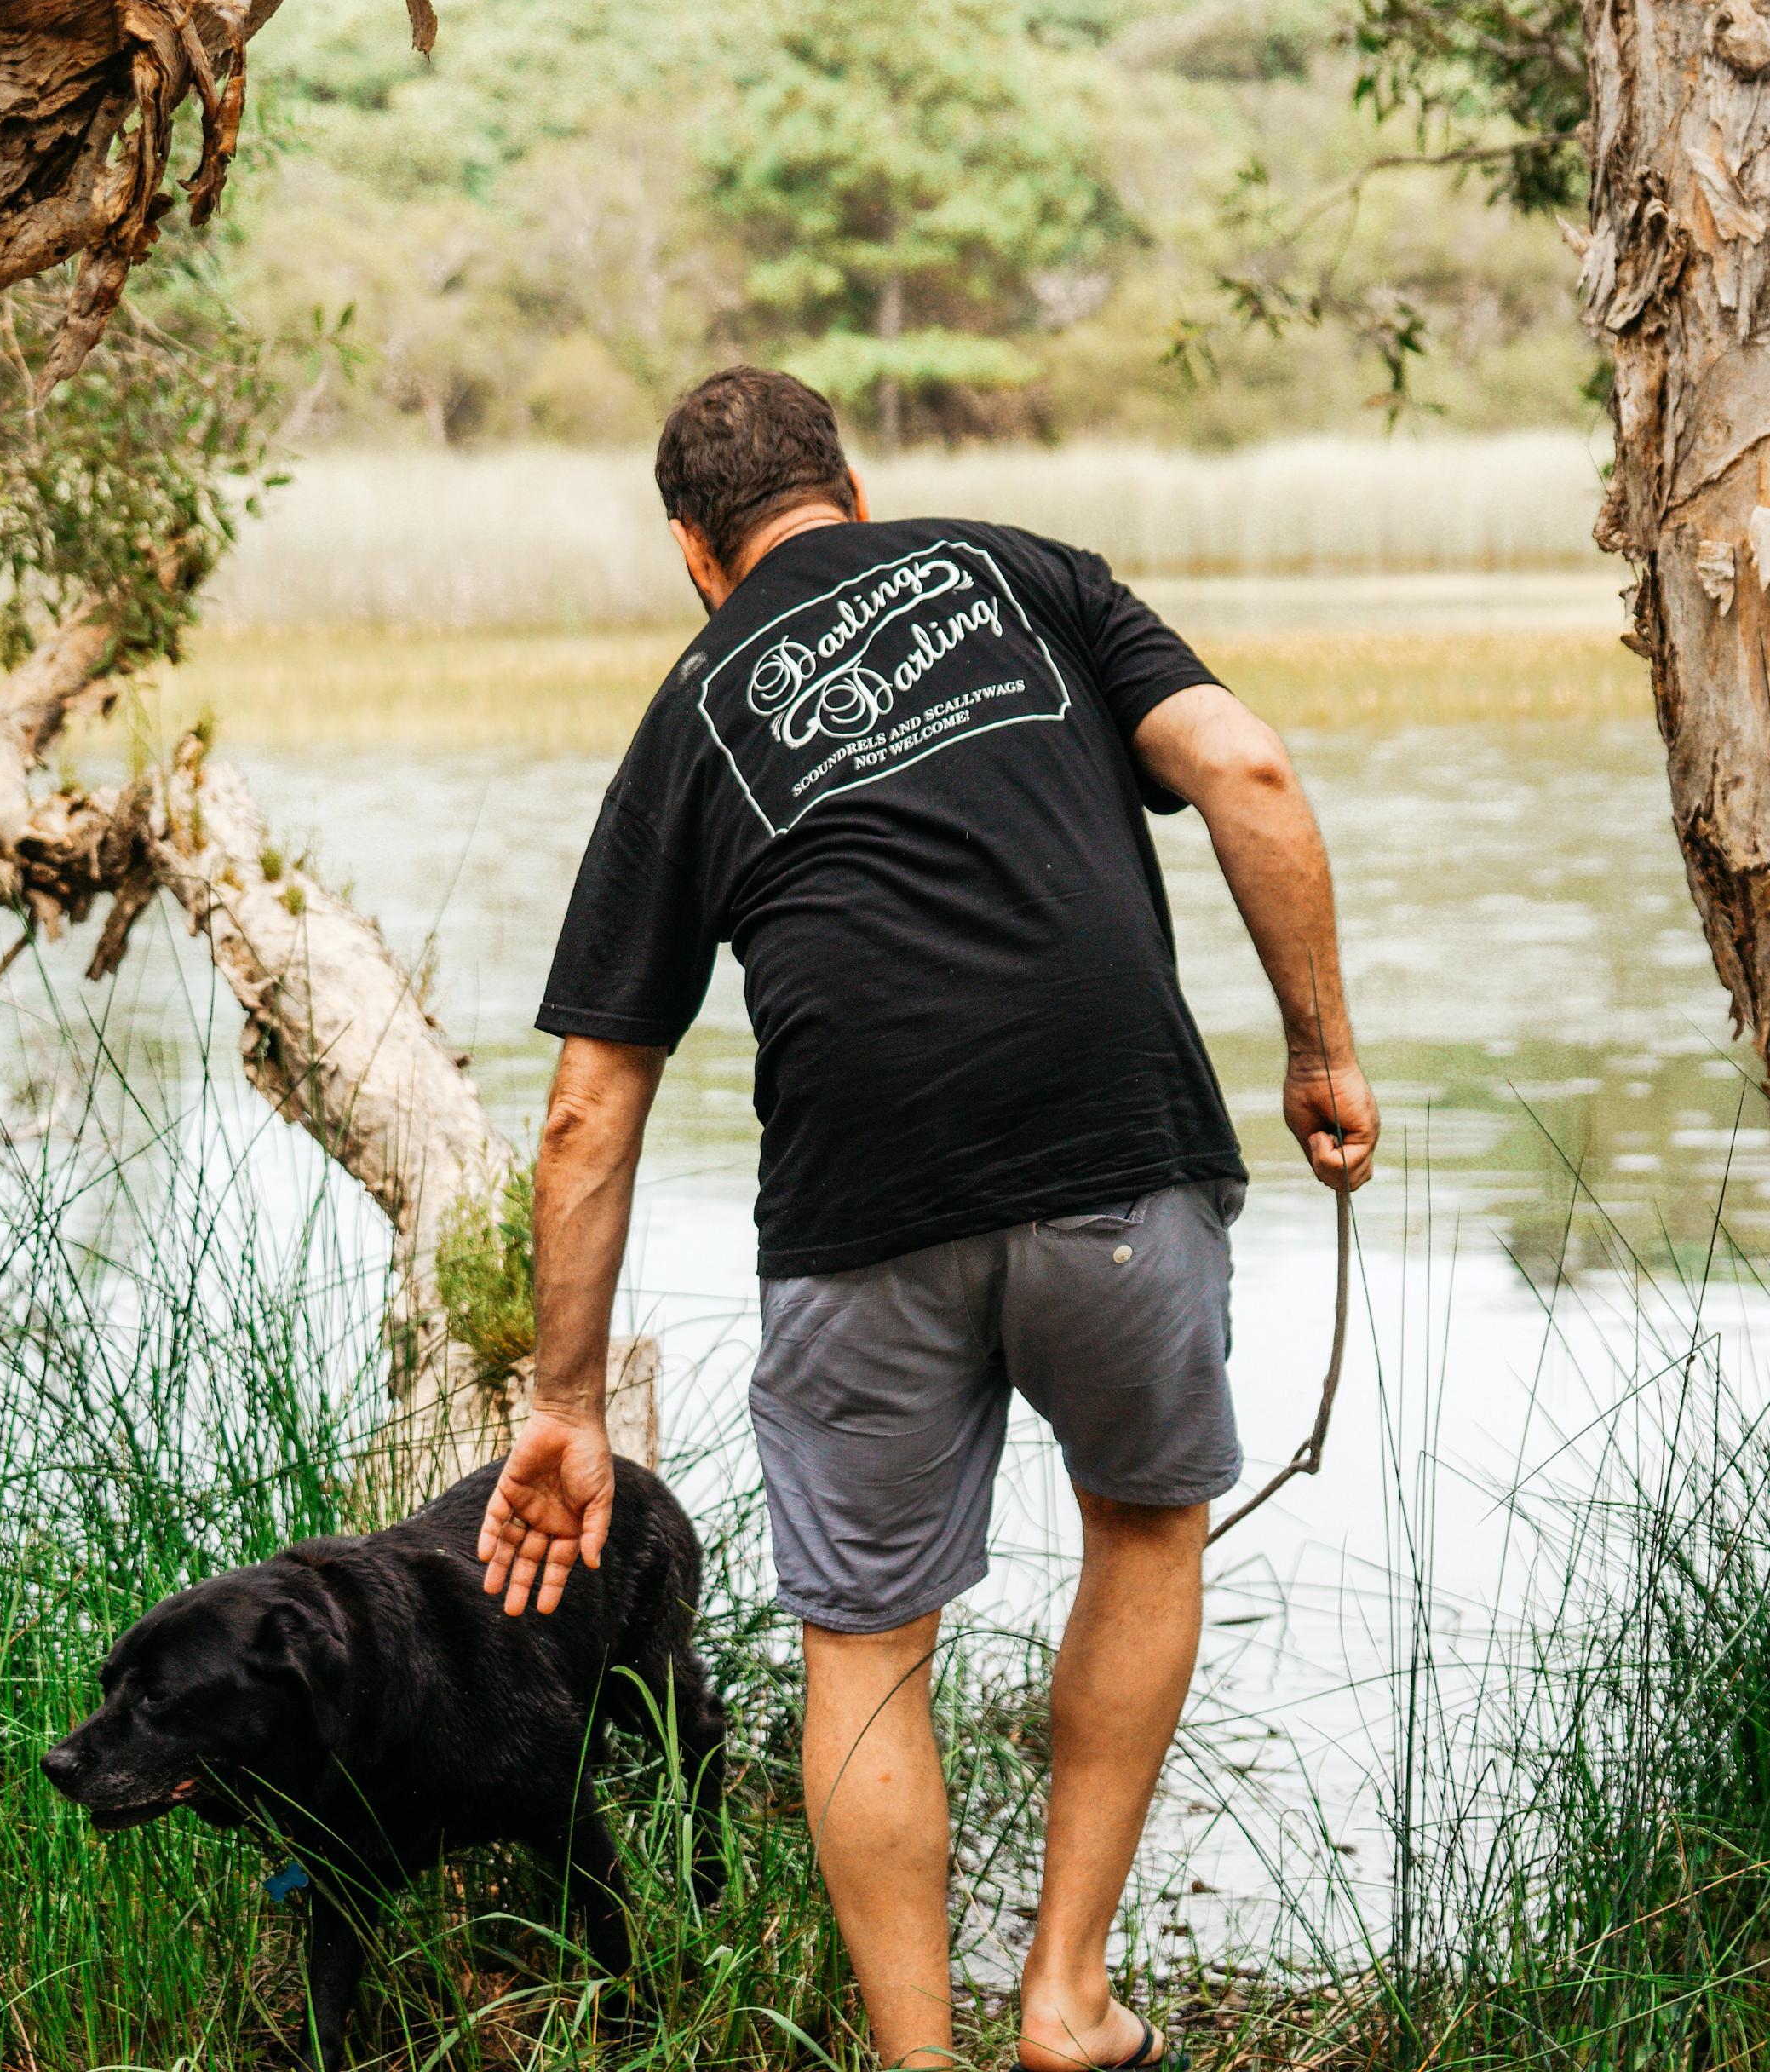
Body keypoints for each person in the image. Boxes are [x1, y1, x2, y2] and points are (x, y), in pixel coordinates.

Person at [477, 366, 1376, 2070]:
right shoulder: (1033, 575)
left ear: (693, 553)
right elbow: (1247, 769)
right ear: (858, 490)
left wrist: (568, 1405)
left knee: (869, 1641)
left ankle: (919, 2059)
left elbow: (590, 1103)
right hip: (1116, 1148)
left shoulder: (687, 720)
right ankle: (1065, 1996)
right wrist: (1320, 1050)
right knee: (1141, 1526)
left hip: (857, 1211)